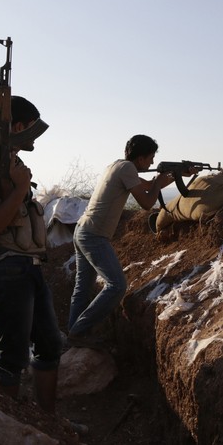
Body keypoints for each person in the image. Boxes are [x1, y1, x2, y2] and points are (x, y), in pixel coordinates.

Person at [0, 95, 62, 413]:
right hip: (5, 270)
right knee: (12, 357)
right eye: (31, 128)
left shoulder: (11, 167)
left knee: (49, 346)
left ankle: (48, 423)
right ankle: (5, 428)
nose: (34, 136)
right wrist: (21, 189)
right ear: (18, 126)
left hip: (27, 268)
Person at [67, 134, 181, 348]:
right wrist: (158, 184)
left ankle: (75, 336)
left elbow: (146, 184)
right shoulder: (128, 169)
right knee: (117, 285)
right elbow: (147, 203)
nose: (152, 163)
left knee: (83, 287)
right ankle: (78, 330)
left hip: (83, 230)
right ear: (140, 158)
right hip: (94, 235)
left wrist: (168, 178)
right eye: (150, 158)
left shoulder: (117, 166)